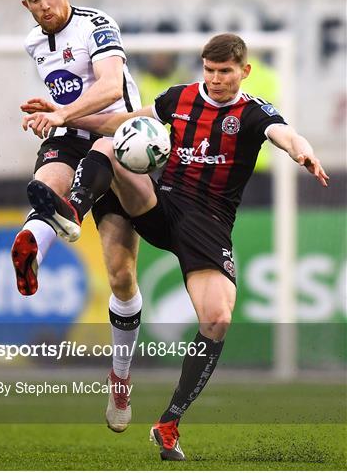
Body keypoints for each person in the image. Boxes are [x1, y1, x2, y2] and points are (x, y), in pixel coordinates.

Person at [22, 33, 329, 461]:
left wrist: (305, 154)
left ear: (244, 71)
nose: (217, 79)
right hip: (161, 204)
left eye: (225, 72)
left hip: (209, 225)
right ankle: (70, 213)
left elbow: (285, 134)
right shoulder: (179, 98)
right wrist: (63, 116)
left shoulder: (254, 112)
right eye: (210, 70)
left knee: (218, 318)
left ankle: (168, 423)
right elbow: (122, 121)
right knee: (110, 145)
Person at [12, 0, 144, 433]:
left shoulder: (97, 25)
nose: (45, 6)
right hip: (74, 132)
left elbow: (109, 87)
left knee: (121, 274)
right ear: (24, 4)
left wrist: (62, 113)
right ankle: (31, 249)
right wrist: (53, 113)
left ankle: (121, 380)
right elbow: (65, 98)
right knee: (45, 184)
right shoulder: (33, 42)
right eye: (34, 0)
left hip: (120, 138)